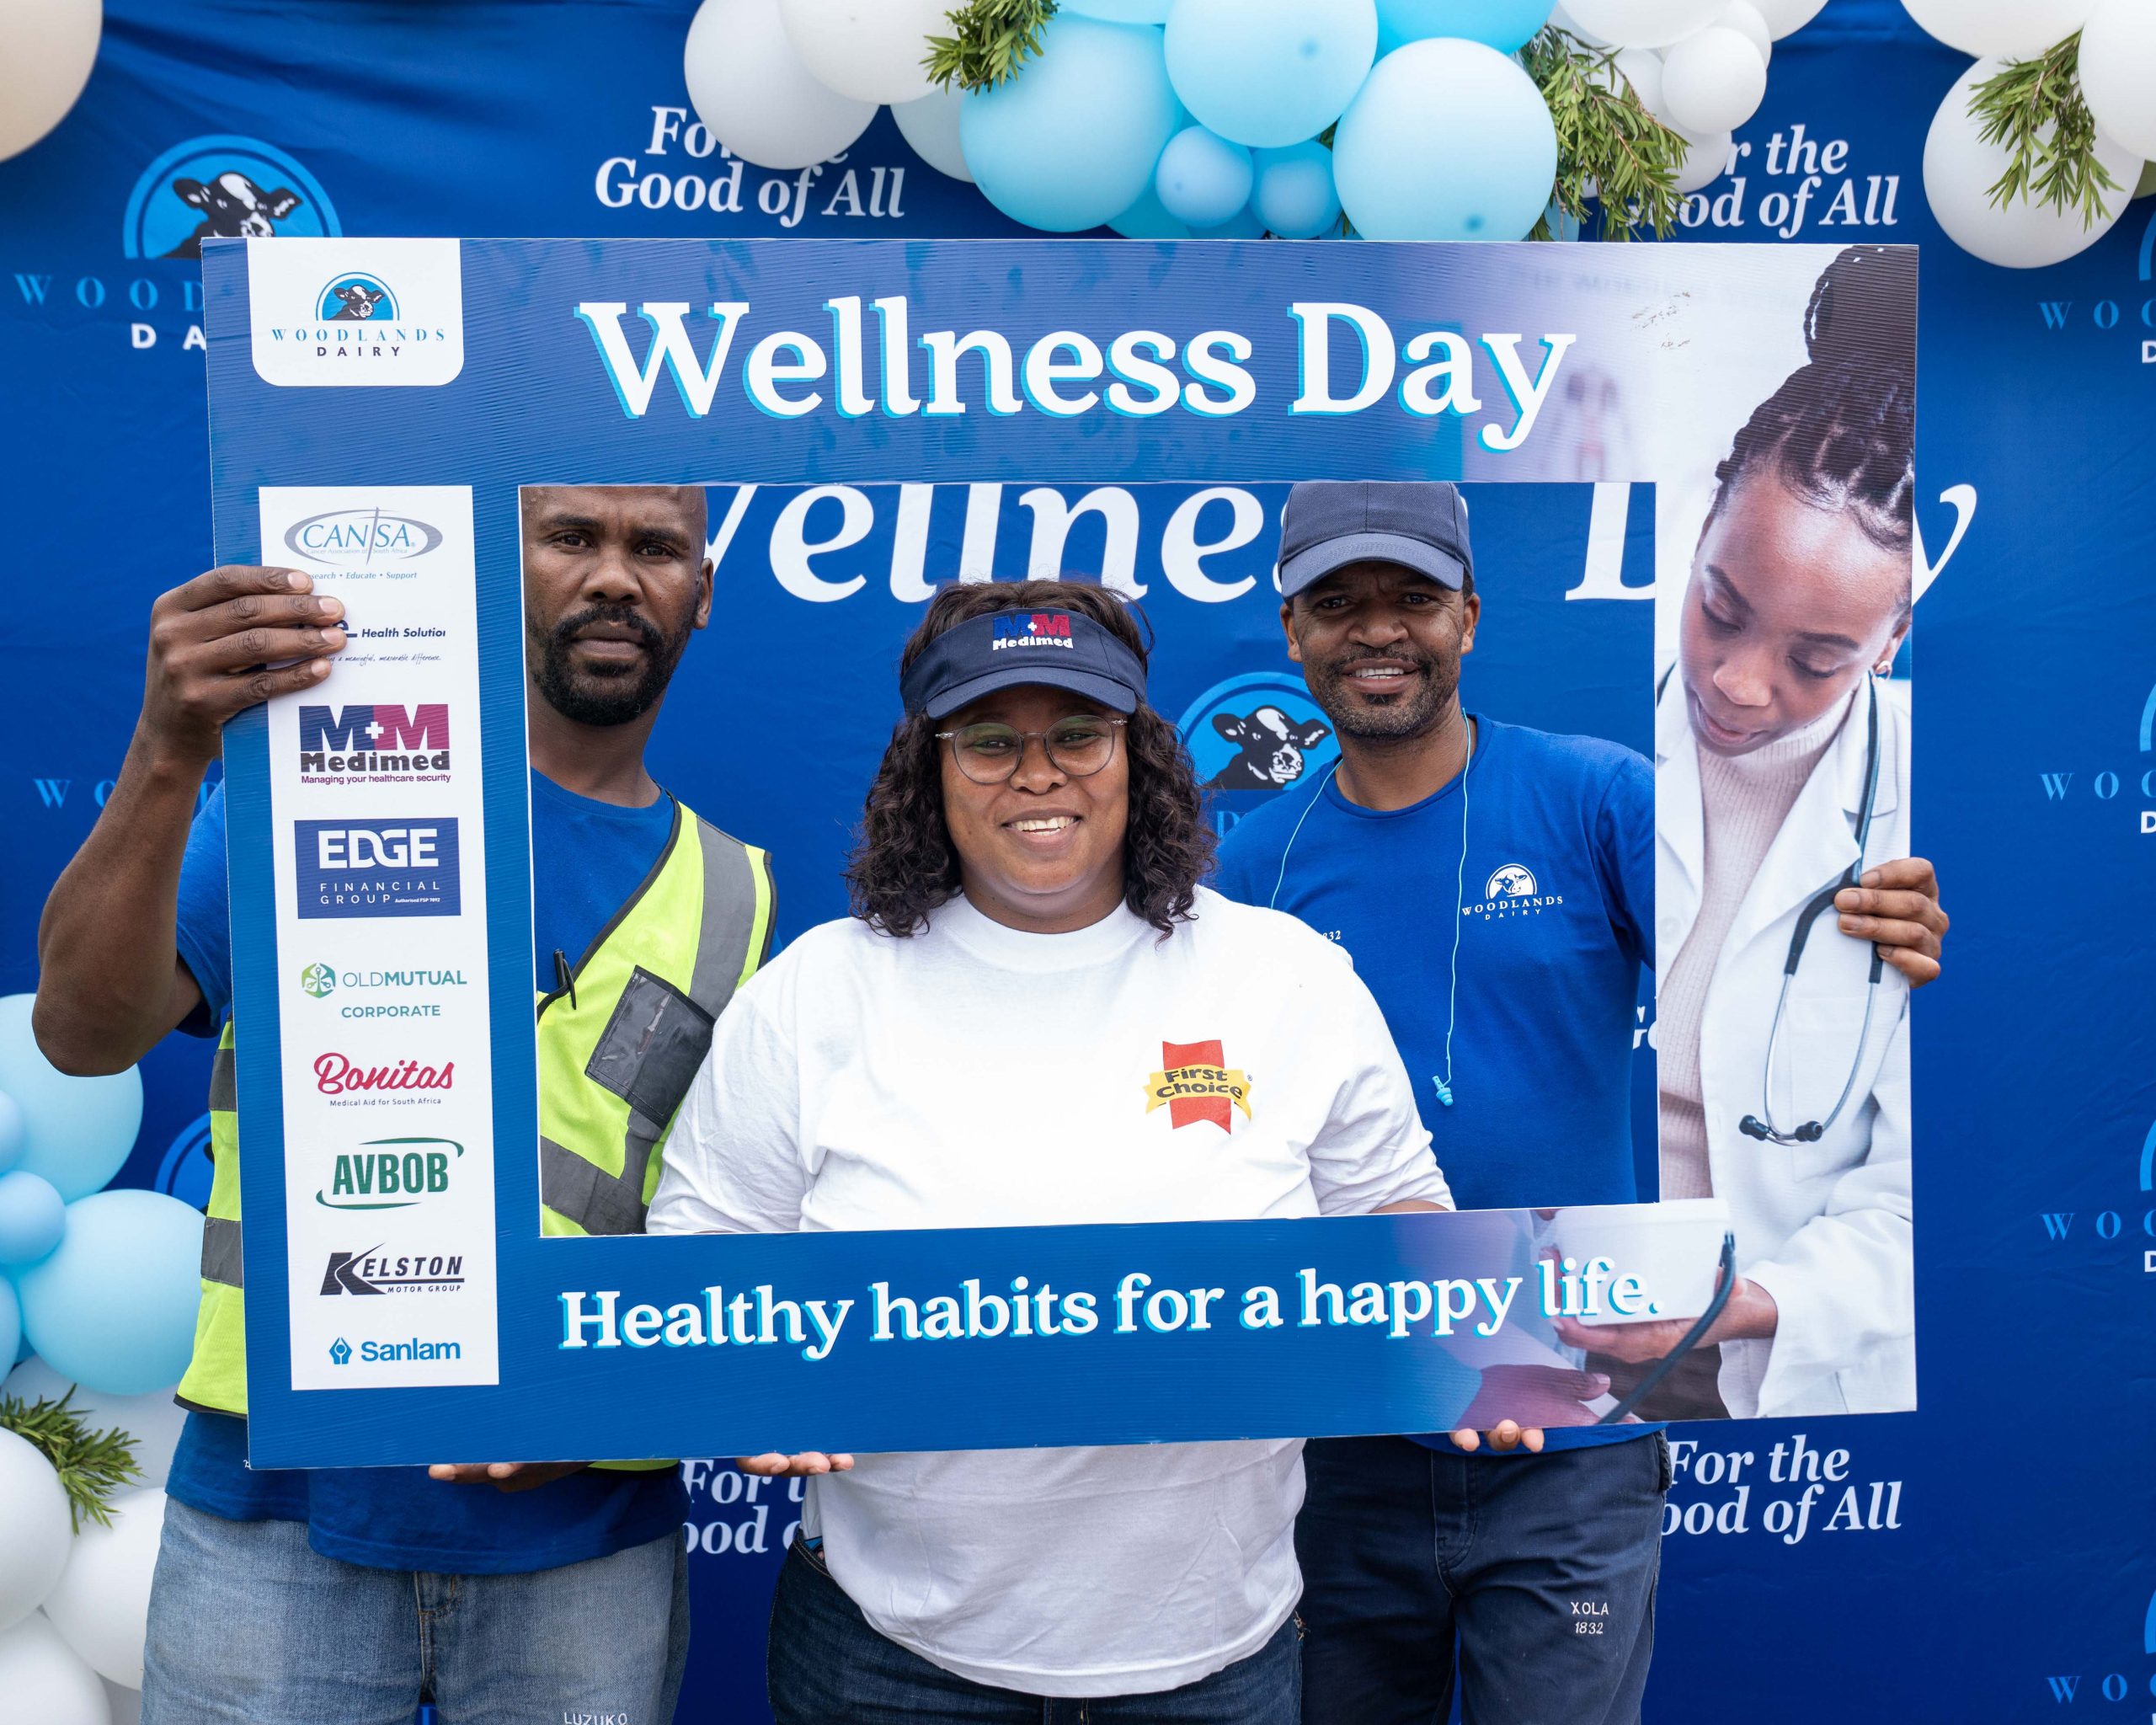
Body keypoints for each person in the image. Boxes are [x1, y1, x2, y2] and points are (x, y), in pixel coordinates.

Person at [648, 579, 1497, 1723]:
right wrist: (748, 1391)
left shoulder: (1286, 978)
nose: (1038, 775)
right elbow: (701, 1253)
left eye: (1080, 735)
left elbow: (1395, 1211)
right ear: (928, 769)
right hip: (891, 1661)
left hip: (1218, 1662)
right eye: (990, 741)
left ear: (1137, 756)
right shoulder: (819, 994)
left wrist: (1487, 1348)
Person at [33, 484, 773, 1725]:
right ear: (497, 566)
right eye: (571, 538)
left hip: (584, 1532)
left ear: (701, 593)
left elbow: (726, 1233)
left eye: (656, 548)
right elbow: (79, 1035)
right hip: (280, 1509)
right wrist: (170, 747)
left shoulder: (737, 893)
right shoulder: (309, 789)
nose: (614, 577)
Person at [1210, 472, 1945, 1713]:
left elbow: (1774, 983)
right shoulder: (1250, 865)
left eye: (1413, 599)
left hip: (1574, 1421)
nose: (1378, 630)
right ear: (1293, 633)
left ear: (1469, 619)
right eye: (1338, 604)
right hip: (1344, 1437)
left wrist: (1879, 924)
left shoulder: (1596, 797)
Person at [1569, 243, 1926, 1419]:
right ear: (1701, 531)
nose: (1738, 682)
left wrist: (1740, 1305)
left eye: (1817, 660)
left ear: (1892, 637)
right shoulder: (1575, 735)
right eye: (1720, 609)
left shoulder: (1947, 802)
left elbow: (1934, 1196)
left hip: (1782, 1368)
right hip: (1544, 1340)